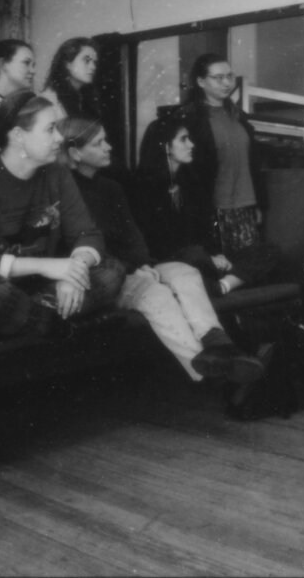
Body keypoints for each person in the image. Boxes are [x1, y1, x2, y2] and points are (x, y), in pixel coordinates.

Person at [59, 116, 263, 384]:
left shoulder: (110, 187)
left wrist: (142, 263)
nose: (109, 147)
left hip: (136, 267)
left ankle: (218, 344)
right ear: (75, 153)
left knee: (185, 273)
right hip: (106, 277)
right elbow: (82, 246)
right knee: (158, 295)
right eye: (99, 143)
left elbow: (133, 235)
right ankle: (210, 371)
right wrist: (133, 269)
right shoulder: (67, 191)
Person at [0, 91, 124, 344]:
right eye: (50, 129)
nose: (59, 138)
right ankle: (57, 325)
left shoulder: (57, 174)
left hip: (34, 289)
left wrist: (74, 271)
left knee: (112, 270)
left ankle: (19, 321)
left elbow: (86, 234)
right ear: (18, 136)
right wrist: (45, 266)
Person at [134, 116, 280, 298]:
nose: (191, 144)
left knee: (268, 251)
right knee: (194, 255)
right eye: (183, 139)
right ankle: (224, 281)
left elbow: (204, 230)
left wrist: (215, 254)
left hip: (203, 259)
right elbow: (156, 243)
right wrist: (207, 257)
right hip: (174, 261)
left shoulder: (190, 182)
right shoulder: (144, 186)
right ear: (166, 147)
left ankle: (222, 286)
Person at [180, 53, 274, 275]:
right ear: (201, 81)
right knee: (218, 266)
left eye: (229, 76)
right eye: (218, 78)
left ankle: (224, 287)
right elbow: (190, 174)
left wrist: (258, 204)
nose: (226, 83)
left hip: (245, 206)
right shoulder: (190, 119)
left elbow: (253, 164)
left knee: (252, 263)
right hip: (213, 209)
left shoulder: (238, 116)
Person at [41, 37, 100, 119]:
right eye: (86, 60)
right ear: (67, 63)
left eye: (94, 62)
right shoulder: (50, 100)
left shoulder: (86, 97)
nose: (93, 67)